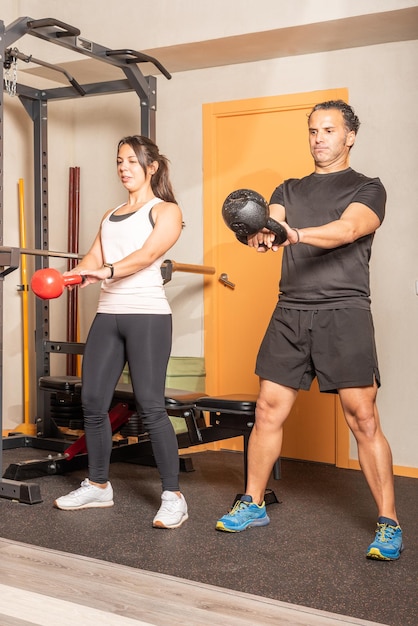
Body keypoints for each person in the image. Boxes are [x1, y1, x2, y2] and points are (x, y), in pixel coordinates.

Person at [216, 100, 403, 560]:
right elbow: (274, 218)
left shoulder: (368, 187)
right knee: (268, 409)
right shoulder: (290, 187)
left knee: (362, 417)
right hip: (291, 311)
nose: (319, 138)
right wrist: (261, 233)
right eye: (312, 130)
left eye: (328, 130)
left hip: (344, 311)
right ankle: (253, 503)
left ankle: (389, 521)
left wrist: (294, 235)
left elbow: (345, 230)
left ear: (349, 136)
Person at [54, 135, 188, 529]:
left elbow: (147, 256)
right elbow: (94, 256)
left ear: (153, 167)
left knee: (150, 405)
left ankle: (173, 496)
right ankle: (98, 484)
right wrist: (74, 275)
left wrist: (106, 272)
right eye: (119, 161)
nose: (124, 167)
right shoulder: (110, 214)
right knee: (93, 401)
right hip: (108, 315)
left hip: (146, 315)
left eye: (132, 160)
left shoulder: (166, 211)